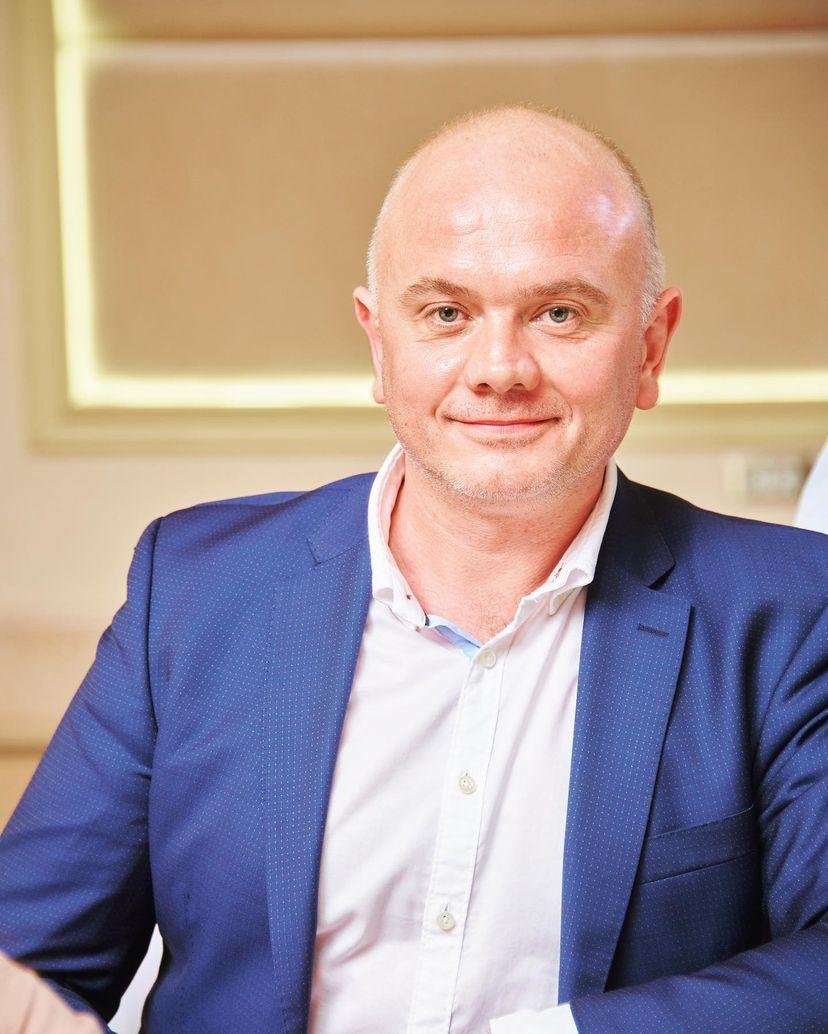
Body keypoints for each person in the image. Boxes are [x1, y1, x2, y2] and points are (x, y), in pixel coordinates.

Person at [0, 106, 826, 1033]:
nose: (500, 368)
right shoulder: (194, 589)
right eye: (445, 312)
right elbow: (34, 957)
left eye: (561, 312)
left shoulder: (791, 610)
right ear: (377, 343)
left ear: (651, 345)